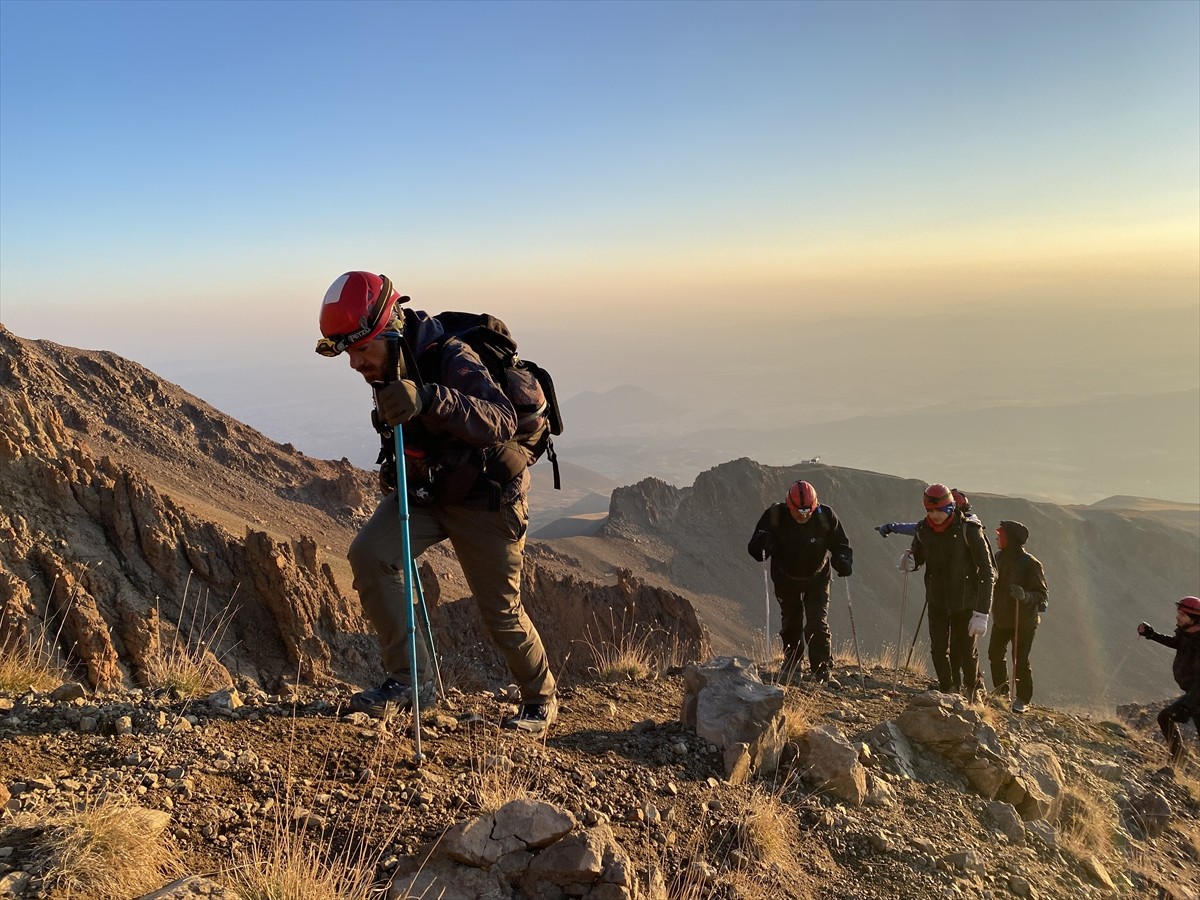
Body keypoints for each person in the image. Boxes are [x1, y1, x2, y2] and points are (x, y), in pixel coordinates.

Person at [315, 271, 557, 732]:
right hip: (429, 491)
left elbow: (500, 420)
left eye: (362, 349)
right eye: (349, 352)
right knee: (370, 556)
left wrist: (428, 398)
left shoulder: (450, 357)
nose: (355, 363)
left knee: (500, 611)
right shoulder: (389, 363)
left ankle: (540, 698)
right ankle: (411, 682)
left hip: (486, 497)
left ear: (389, 331)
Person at [747, 480, 853, 681]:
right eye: (799, 511)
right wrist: (762, 544)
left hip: (818, 576)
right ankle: (792, 662)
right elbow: (755, 549)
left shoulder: (825, 516)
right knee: (790, 620)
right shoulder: (775, 515)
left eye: (808, 511)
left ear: (814, 506)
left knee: (817, 622)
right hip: (785, 577)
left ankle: (821, 669)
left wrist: (843, 560)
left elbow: (841, 544)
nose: (803, 515)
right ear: (789, 505)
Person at [899, 483, 995, 696]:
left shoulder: (969, 530)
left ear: (951, 508)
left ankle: (972, 691)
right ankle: (948, 691)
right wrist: (911, 561)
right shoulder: (924, 529)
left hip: (965, 601)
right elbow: (919, 555)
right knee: (939, 649)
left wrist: (982, 613)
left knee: (967, 650)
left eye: (939, 510)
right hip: (937, 600)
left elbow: (987, 571)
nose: (935, 515)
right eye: (930, 511)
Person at [986, 520, 1048, 713]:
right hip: (1003, 618)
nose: (997, 538)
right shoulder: (998, 557)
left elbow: (1042, 595)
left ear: (1010, 539)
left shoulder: (1030, 563)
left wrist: (1024, 596)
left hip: (1024, 621)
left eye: (1001, 535)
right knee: (995, 654)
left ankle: (1022, 699)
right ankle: (1001, 693)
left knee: (1019, 660)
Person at [1137, 596, 1200, 765]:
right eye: (1178, 613)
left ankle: (1178, 757)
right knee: (1165, 717)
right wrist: (1152, 635)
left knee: (1165, 717)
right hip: (1193, 694)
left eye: (1182, 614)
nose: (1177, 617)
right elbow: (1175, 643)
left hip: (1196, 695)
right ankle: (1179, 757)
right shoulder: (1186, 634)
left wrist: (1189, 702)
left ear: (1194, 619)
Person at [875, 488, 975, 538]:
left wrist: (891, 527)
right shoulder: (971, 528)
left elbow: (916, 529)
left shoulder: (968, 531)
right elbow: (918, 528)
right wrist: (891, 527)